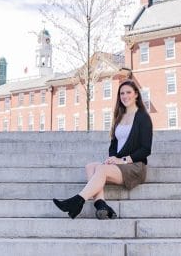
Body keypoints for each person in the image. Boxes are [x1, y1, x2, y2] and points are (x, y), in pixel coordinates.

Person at [52, 79, 153, 219]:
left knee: (101, 169)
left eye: (128, 92)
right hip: (119, 164)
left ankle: (77, 201)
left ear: (136, 94)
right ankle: (101, 204)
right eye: (122, 93)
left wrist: (123, 160)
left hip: (135, 167)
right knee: (90, 167)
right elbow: (113, 144)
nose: (125, 96)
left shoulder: (143, 117)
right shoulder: (120, 117)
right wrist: (112, 158)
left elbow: (146, 149)